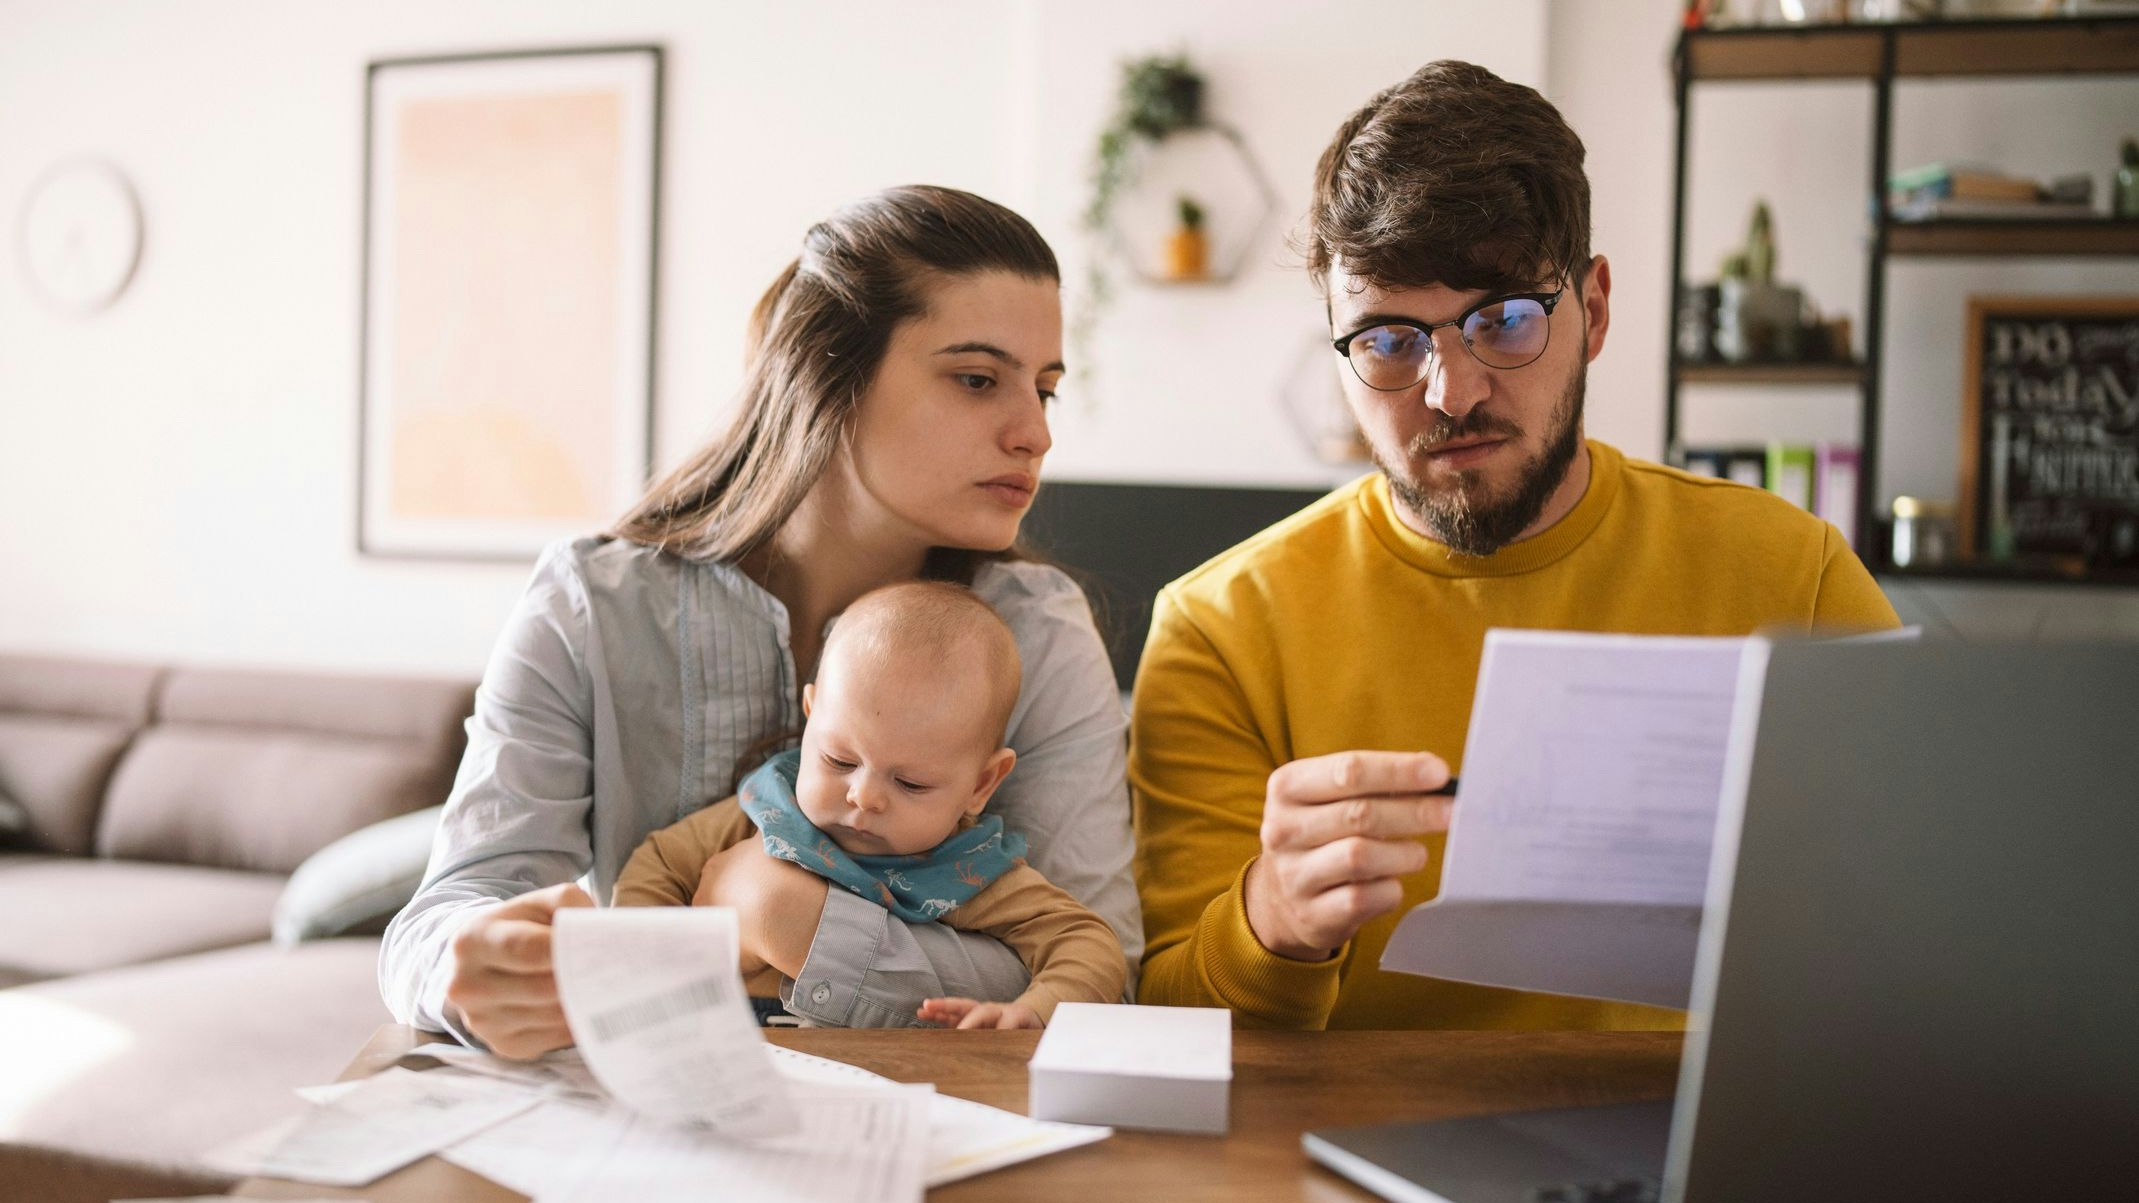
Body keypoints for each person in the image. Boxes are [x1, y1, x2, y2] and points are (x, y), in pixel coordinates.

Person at [1129, 61, 1899, 1031]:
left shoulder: (1795, 575)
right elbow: (1165, 1029)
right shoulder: (1220, 629)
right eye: (1388, 340)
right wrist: (1271, 922)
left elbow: (1929, 926)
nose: (1451, 392)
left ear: (1598, 311)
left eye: (1504, 321)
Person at [380, 186, 1141, 1058]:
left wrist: (783, 917)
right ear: (827, 377)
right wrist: (466, 969)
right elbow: (439, 920)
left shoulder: (1037, 632)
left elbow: (1101, 966)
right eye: (977, 380)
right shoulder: (591, 605)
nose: (1035, 432)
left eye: (1044, 388)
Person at [613, 580, 1127, 1030]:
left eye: (910, 783)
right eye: (838, 760)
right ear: (811, 717)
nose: (864, 796)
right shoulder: (768, 809)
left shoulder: (969, 871)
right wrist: (643, 974)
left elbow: (1088, 944)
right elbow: (658, 864)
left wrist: (1037, 1009)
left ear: (982, 784)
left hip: (888, 1074)